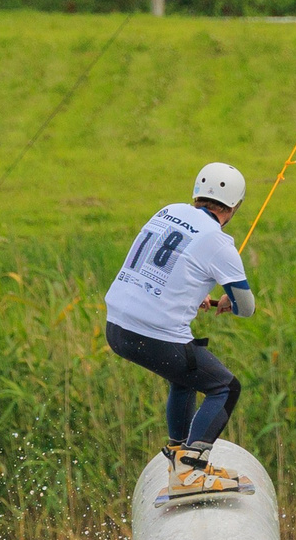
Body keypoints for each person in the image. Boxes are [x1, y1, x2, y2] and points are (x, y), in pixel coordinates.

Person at [104, 164, 259, 502]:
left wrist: (191, 290)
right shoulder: (219, 242)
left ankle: (181, 461)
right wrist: (229, 302)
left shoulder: (169, 211)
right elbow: (246, 307)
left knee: (185, 377)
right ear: (235, 206)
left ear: (196, 195)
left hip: (115, 327)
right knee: (224, 387)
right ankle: (189, 471)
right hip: (152, 335)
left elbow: (158, 264)